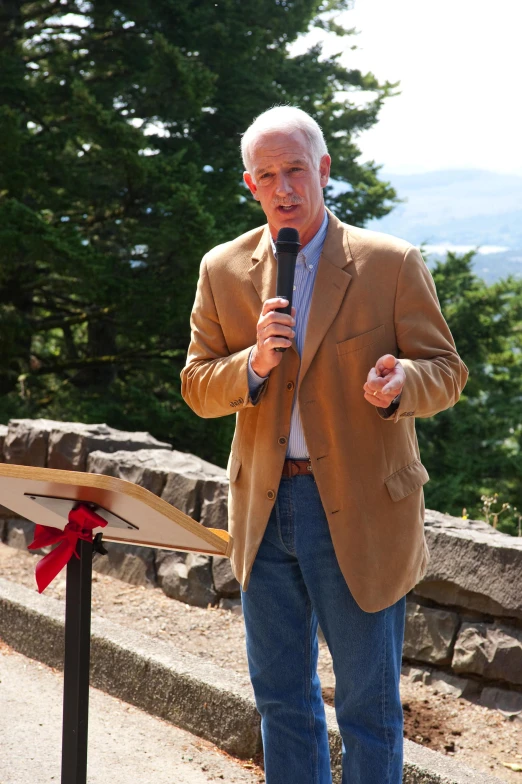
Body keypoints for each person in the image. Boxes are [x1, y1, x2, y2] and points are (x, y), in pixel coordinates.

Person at [180, 106, 468, 784]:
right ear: (250, 184)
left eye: (296, 171)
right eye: (268, 175)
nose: (284, 188)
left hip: (362, 509)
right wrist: (251, 364)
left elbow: (446, 371)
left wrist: (401, 382)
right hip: (263, 511)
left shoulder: (389, 263)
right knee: (282, 700)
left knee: (368, 706)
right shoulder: (222, 270)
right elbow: (197, 385)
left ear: (325, 171)